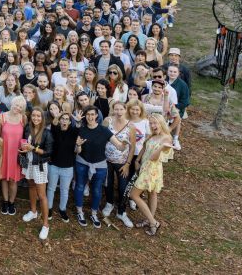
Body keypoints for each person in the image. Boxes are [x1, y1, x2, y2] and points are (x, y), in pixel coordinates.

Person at [74, 105, 129, 228]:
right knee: (80, 186)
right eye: (88, 115)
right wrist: (78, 145)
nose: (90, 117)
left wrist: (124, 144)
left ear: (97, 116)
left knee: (97, 189)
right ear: (85, 116)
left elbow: (119, 146)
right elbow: (78, 151)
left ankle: (94, 213)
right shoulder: (81, 130)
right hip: (82, 162)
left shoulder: (104, 130)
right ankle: (79, 212)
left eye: (92, 114)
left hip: (100, 165)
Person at [129, 113, 176, 236]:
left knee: (134, 195)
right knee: (151, 193)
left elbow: (154, 158)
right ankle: (149, 220)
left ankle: (153, 222)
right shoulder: (152, 135)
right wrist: (137, 160)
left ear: (161, 123)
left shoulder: (166, 138)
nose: (153, 125)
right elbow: (144, 148)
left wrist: (161, 148)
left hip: (152, 169)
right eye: (150, 123)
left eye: (155, 123)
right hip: (145, 166)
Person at [19, 108, 53, 240]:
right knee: (31, 186)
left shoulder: (47, 133)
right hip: (29, 163)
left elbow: (48, 152)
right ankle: (33, 211)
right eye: (33, 115)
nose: (36, 118)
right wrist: (23, 148)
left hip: (40, 165)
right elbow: (25, 143)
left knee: (42, 195)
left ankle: (45, 225)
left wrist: (34, 148)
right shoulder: (28, 128)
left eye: (38, 116)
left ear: (42, 118)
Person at [102, 100, 137, 228]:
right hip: (106, 160)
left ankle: (121, 211)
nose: (118, 112)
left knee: (123, 188)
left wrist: (128, 163)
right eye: (116, 109)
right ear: (113, 110)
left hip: (122, 163)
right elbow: (101, 137)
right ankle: (109, 203)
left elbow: (132, 147)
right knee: (108, 183)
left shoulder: (130, 126)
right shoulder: (107, 121)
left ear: (125, 109)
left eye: (121, 109)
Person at [0, 96, 27, 216]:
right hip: (4, 152)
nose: (17, 108)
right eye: (16, 105)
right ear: (12, 104)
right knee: (4, 178)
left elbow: (25, 135)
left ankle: (11, 202)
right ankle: (4, 201)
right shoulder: (1, 117)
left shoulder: (23, 118)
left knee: (13, 180)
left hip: (16, 154)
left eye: (20, 106)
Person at [47, 106, 78, 222]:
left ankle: (62, 209)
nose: (64, 121)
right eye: (62, 119)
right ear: (60, 120)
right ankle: (49, 208)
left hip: (68, 167)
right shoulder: (55, 130)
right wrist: (59, 115)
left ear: (70, 122)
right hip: (54, 165)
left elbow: (79, 128)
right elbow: (54, 123)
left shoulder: (74, 132)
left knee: (65, 190)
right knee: (51, 188)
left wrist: (78, 120)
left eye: (67, 119)